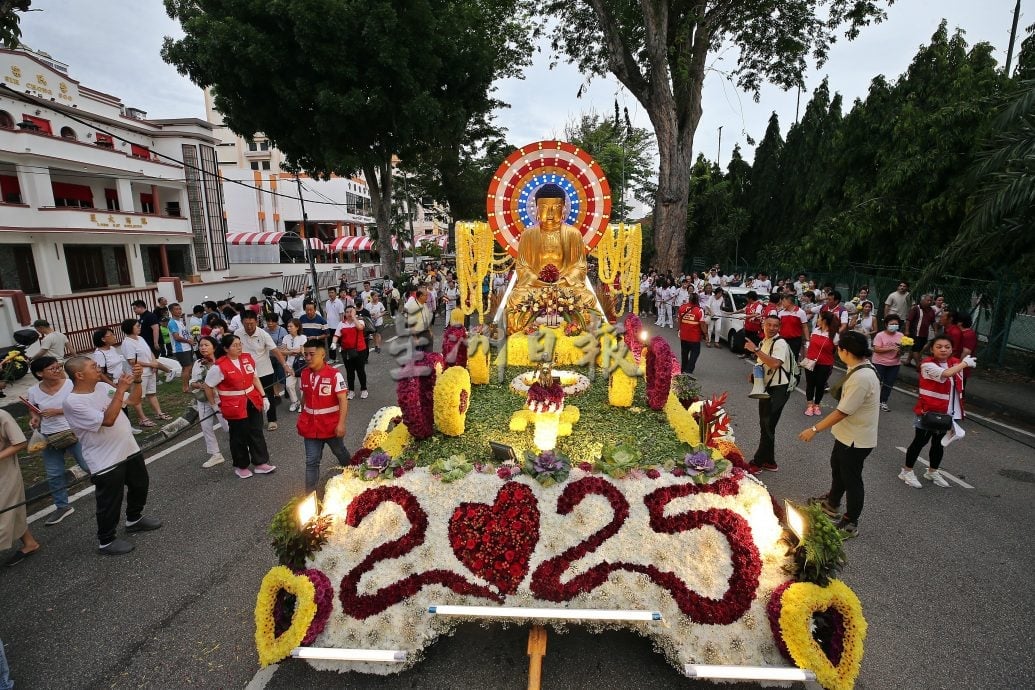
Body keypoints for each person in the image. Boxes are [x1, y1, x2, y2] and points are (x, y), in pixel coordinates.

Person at [62, 355, 161, 555]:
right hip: (105, 459)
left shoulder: (100, 388)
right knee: (110, 500)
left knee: (140, 485)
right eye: (92, 366)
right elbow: (108, 419)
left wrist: (138, 380)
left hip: (129, 448)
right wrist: (121, 389)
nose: (98, 368)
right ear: (79, 375)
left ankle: (134, 518)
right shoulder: (73, 402)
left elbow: (132, 401)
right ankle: (106, 540)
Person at [798, 331, 880, 538]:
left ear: (845, 351)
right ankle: (832, 503)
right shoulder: (860, 367)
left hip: (856, 439)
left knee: (852, 479)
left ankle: (851, 522)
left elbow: (843, 411)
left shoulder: (862, 376)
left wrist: (814, 429)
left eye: (839, 349)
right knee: (838, 468)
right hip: (847, 434)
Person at [505, 184, 597, 330]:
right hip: (536, 287)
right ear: (536, 209)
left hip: (564, 287)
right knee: (515, 298)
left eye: (555, 207)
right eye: (543, 207)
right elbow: (522, 267)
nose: (549, 212)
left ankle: (571, 326)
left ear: (564, 208)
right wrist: (537, 280)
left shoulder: (573, 234)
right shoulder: (528, 235)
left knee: (587, 298)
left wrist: (563, 280)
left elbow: (579, 266)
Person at [899, 335, 976, 489]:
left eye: (947, 347)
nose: (943, 349)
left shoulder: (954, 362)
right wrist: (964, 364)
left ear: (952, 349)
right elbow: (945, 374)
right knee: (920, 441)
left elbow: (957, 385)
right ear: (932, 349)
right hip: (927, 411)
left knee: (938, 444)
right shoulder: (927, 364)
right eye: (939, 346)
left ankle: (932, 471)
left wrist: (962, 363)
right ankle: (906, 471)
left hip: (947, 413)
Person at [26, 356, 90, 525]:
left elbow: (82, 404)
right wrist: (35, 419)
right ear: (40, 373)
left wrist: (58, 411)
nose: (57, 370)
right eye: (52, 369)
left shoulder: (70, 384)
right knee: (54, 473)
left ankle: (111, 488)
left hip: (73, 432)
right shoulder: (33, 391)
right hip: (50, 436)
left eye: (58, 367)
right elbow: (33, 410)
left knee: (88, 465)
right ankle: (62, 506)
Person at [203, 334, 276, 479]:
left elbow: (254, 378)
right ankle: (241, 465)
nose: (239, 348)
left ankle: (260, 462)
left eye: (239, 344)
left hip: (252, 400)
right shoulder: (219, 367)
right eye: (234, 345)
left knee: (256, 431)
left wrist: (263, 396)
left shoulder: (247, 358)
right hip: (233, 405)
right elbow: (207, 386)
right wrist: (214, 405)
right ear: (225, 348)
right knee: (239, 436)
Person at [297, 340, 351, 494]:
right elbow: (305, 396)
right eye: (305, 354)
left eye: (311, 354)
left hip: (330, 427)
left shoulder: (334, 375)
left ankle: (353, 472)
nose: (307, 357)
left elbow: (343, 400)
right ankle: (310, 496)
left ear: (322, 354)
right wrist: (302, 414)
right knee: (311, 461)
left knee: (340, 452)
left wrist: (341, 424)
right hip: (311, 428)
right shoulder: (305, 373)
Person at [743, 315, 795, 472]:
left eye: (775, 325)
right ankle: (770, 462)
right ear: (763, 325)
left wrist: (756, 350)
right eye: (769, 325)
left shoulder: (780, 343)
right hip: (767, 386)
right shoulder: (764, 341)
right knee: (766, 425)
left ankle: (757, 463)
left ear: (779, 327)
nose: (772, 328)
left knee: (767, 425)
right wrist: (755, 375)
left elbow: (775, 363)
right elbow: (764, 363)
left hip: (779, 388)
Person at [235, 311, 286, 432]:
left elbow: (275, 350)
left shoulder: (263, 334)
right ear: (242, 322)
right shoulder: (237, 334)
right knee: (250, 397)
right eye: (246, 324)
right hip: (246, 372)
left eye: (251, 323)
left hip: (264, 370)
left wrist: (285, 365)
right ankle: (255, 421)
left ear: (256, 321)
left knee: (268, 396)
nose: (249, 326)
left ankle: (272, 420)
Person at [0, 407, 38, 566]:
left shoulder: (2, 415)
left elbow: (20, 442)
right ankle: (30, 543)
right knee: (10, 511)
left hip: (5, 473)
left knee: (4, 511)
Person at [120, 319, 170, 427]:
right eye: (137, 326)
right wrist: (151, 365)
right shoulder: (127, 343)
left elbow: (149, 351)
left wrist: (153, 362)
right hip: (139, 373)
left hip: (150, 371)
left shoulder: (140, 338)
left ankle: (159, 413)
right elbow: (132, 361)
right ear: (130, 328)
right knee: (138, 397)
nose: (139, 327)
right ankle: (142, 418)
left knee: (152, 393)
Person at [189, 336, 228, 468]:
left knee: (227, 426)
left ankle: (243, 446)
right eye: (201, 345)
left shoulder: (221, 361)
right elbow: (192, 381)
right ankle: (215, 454)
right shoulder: (198, 363)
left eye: (206, 345)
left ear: (214, 347)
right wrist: (199, 385)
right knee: (206, 427)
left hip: (219, 399)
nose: (203, 347)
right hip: (203, 400)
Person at [803, 311, 840, 417]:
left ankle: (817, 405)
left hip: (825, 364)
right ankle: (810, 405)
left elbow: (838, 351)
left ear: (824, 320)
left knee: (820, 385)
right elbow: (810, 346)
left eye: (819, 318)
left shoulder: (834, 335)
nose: (817, 320)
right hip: (810, 362)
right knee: (810, 384)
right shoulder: (815, 330)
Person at [332, 306, 369, 400]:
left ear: (354, 312)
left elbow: (360, 328)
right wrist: (333, 342)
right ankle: (351, 391)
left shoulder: (360, 321)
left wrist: (354, 318)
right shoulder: (341, 324)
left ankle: (364, 389)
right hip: (347, 351)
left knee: (360, 370)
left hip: (360, 350)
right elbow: (336, 335)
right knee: (349, 372)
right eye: (347, 312)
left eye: (351, 311)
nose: (349, 313)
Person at [871, 314, 904, 411]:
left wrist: (901, 351)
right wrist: (890, 348)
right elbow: (876, 349)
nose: (894, 326)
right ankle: (872, 401)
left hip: (894, 364)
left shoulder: (901, 335)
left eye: (896, 324)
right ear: (886, 324)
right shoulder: (880, 335)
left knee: (888, 384)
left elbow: (902, 349)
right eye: (892, 324)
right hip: (879, 363)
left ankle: (883, 401)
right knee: (876, 383)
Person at [280, 319, 307, 412]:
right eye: (288, 326)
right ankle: (295, 402)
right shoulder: (286, 338)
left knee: (302, 386)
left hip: (301, 365)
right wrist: (291, 352)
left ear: (297, 327)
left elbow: (302, 351)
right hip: (289, 365)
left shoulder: (303, 337)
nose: (289, 328)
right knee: (288, 385)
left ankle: (304, 404)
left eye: (291, 326)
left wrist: (288, 351)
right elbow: (281, 351)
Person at [167, 303, 195, 393]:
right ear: (171, 311)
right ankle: (185, 387)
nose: (179, 311)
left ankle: (187, 385)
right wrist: (188, 341)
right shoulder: (172, 323)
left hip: (187, 347)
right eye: (176, 309)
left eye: (180, 309)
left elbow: (183, 334)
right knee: (187, 367)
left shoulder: (180, 321)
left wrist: (190, 339)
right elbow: (176, 337)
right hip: (181, 349)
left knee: (188, 367)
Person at [677, 292, 706, 375]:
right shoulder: (699, 310)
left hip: (684, 336)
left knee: (684, 353)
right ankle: (688, 370)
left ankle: (683, 370)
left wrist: (679, 329)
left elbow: (679, 320)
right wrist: (706, 334)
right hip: (694, 337)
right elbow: (702, 324)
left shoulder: (682, 308)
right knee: (695, 353)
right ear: (697, 300)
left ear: (689, 299)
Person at [905, 295, 936, 369]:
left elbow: (933, 322)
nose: (929, 302)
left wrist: (936, 330)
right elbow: (909, 320)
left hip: (924, 333)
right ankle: (918, 365)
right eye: (927, 300)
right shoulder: (916, 308)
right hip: (915, 333)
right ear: (922, 301)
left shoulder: (931, 310)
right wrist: (907, 330)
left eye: (930, 301)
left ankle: (908, 361)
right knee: (916, 349)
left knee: (916, 348)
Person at [777, 293, 810, 358]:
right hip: (782, 339)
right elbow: (778, 325)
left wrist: (807, 340)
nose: (781, 303)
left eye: (783, 301)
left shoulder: (801, 312)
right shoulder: (781, 312)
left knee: (793, 358)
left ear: (789, 302)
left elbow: (805, 326)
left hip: (795, 340)